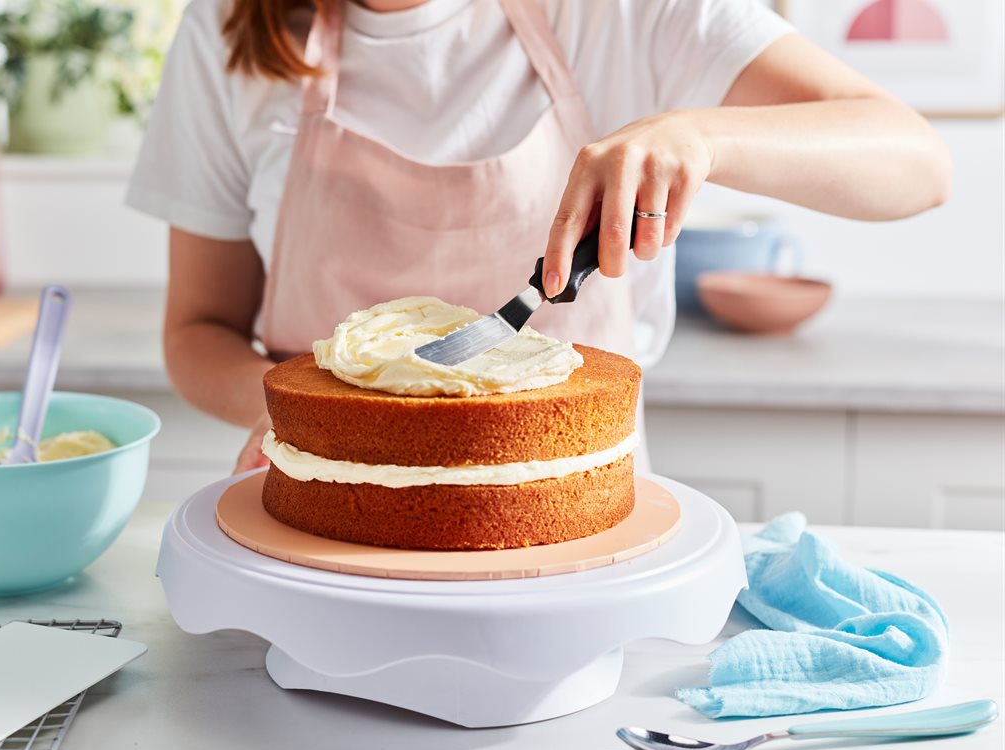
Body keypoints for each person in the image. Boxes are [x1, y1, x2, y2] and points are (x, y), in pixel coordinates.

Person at [127, 0, 951, 473]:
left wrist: (701, 136)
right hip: (311, 524)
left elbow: (916, 161)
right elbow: (197, 331)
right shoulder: (229, 28)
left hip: (569, 541)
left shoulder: (622, 14)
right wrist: (318, 417)